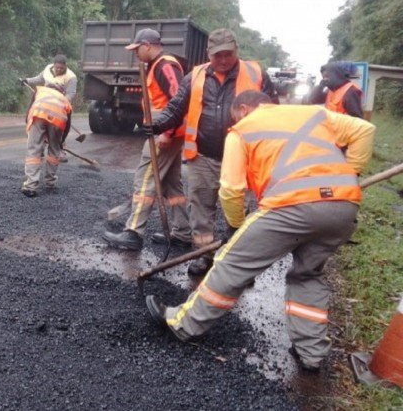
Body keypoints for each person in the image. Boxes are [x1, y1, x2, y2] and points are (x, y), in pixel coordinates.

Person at [145, 90, 375, 373]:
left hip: (291, 206)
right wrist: (351, 173)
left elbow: (230, 189)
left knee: (231, 263)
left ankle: (183, 324)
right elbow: (365, 129)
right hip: (343, 206)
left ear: (243, 109)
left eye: (234, 116)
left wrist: (236, 227)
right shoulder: (314, 113)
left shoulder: (241, 130)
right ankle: (311, 353)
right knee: (308, 275)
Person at [144, 28, 278, 275]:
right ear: (209, 54)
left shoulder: (256, 74)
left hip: (243, 160)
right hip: (203, 157)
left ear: (236, 50)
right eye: (218, 55)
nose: (224, 60)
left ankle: (236, 265)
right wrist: (158, 125)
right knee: (200, 210)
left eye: (228, 54)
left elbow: (274, 112)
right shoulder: (195, 77)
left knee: (240, 213)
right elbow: (176, 108)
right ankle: (203, 256)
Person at [103, 28, 192, 250]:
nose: (136, 53)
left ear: (148, 45)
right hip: (166, 132)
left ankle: (133, 232)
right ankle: (183, 232)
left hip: (164, 134)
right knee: (172, 186)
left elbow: (179, 101)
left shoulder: (165, 66)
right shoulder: (156, 65)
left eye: (137, 49)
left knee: (145, 180)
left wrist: (166, 132)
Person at [21, 82, 73, 197]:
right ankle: (50, 182)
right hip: (59, 120)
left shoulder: (39, 91)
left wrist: (30, 127)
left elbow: (29, 110)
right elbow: (68, 125)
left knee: (34, 151)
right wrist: (60, 142)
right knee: (54, 151)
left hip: (38, 115)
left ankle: (30, 186)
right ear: (61, 91)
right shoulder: (64, 99)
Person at [23, 54, 78, 162]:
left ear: (65, 66)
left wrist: (61, 102)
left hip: (59, 105)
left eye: (61, 68)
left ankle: (59, 148)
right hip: (43, 102)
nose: (58, 70)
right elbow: (39, 79)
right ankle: (40, 148)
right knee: (37, 122)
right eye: (57, 67)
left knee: (61, 126)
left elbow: (70, 94)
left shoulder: (71, 77)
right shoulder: (48, 69)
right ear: (53, 65)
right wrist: (26, 80)